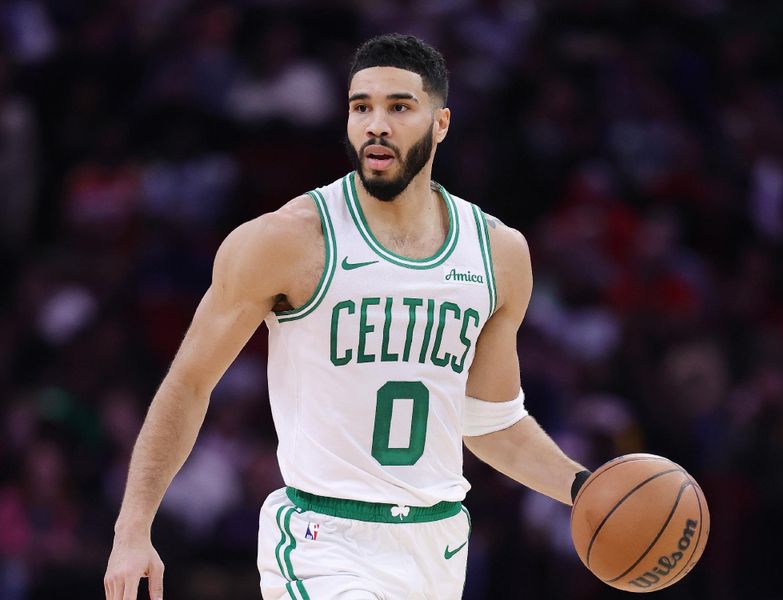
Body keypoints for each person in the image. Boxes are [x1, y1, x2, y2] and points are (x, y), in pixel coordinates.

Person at [104, 33, 590, 600]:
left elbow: (490, 422)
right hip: (322, 541)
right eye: (361, 107)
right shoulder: (287, 240)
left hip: (437, 546)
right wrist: (132, 526)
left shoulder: (497, 254)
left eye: (399, 107)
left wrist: (584, 487)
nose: (375, 124)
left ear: (441, 124)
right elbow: (188, 382)